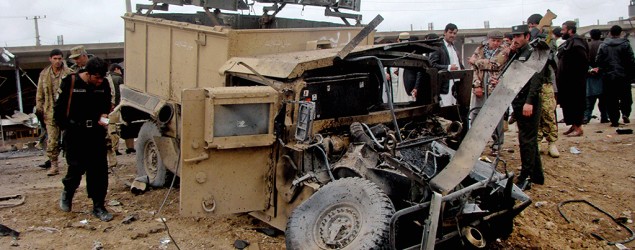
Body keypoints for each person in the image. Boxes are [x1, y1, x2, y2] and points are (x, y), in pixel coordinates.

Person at [53, 57, 113, 222]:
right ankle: (68, 193)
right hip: (75, 134)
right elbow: (58, 110)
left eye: (102, 78)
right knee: (76, 169)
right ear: (88, 73)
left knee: (99, 171)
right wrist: (66, 128)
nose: (100, 81)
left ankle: (99, 206)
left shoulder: (104, 85)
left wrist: (105, 117)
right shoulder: (71, 82)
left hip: (95, 133)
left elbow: (107, 105)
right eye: (97, 78)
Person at [509, 24, 544, 190]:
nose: (515, 39)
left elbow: (536, 80)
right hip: (519, 101)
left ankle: (526, 177)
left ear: (527, 37)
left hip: (528, 102)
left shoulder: (533, 53)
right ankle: (537, 175)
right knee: (528, 139)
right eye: (514, 36)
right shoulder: (518, 53)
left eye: (519, 36)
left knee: (526, 140)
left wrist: (529, 102)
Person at [467, 30, 510, 155]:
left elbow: (496, 64)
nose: (496, 43)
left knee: (496, 117)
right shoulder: (479, 49)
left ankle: (497, 145)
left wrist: (475, 61)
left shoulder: (505, 50)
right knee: (476, 114)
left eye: (498, 41)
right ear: (488, 39)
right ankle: (474, 144)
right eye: (493, 40)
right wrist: (476, 85)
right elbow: (473, 69)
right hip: (480, 85)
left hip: (495, 87)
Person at [527, 13, 560, 158]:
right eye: (529, 27)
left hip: (545, 81)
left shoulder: (548, 38)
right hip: (531, 81)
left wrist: (538, 36)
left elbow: (550, 54)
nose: (531, 29)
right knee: (536, 115)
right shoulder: (529, 38)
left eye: (532, 26)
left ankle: (552, 142)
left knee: (548, 113)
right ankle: (538, 141)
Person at [35, 49, 72, 176]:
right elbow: (40, 94)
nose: (57, 61)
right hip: (50, 111)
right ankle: (54, 165)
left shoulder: (69, 73)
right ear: (50, 59)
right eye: (55, 58)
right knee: (52, 140)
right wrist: (40, 109)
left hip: (67, 112)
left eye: (59, 58)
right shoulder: (44, 74)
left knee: (70, 139)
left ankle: (72, 164)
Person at [596, 25, 635, 127]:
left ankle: (614, 120)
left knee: (611, 99)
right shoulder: (625, 44)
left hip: (608, 76)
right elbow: (631, 60)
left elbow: (598, 60)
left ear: (610, 33)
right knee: (626, 97)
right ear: (620, 33)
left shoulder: (603, 45)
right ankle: (625, 113)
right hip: (623, 75)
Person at [556, 21, 588, 137]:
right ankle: (574, 125)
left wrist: (574, 75)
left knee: (576, 103)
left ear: (570, 30)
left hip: (575, 82)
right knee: (569, 103)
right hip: (568, 82)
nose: (561, 32)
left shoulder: (577, 43)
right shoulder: (570, 42)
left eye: (563, 30)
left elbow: (582, 62)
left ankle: (578, 127)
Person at [430, 23, 464, 107]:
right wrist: (448, 67)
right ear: (445, 32)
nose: (452, 35)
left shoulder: (453, 47)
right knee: (446, 109)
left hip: (456, 85)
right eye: (450, 32)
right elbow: (432, 65)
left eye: (454, 33)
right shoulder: (438, 47)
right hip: (445, 86)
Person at [585, 29, 608, 124]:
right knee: (604, 99)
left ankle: (586, 117)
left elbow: (584, 60)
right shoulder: (604, 45)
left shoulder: (587, 45)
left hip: (590, 75)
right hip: (603, 74)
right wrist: (600, 68)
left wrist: (590, 69)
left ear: (590, 35)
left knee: (589, 99)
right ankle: (604, 117)